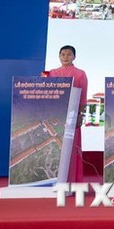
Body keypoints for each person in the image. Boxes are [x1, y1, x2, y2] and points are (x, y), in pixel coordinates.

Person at [48, 45, 88, 183]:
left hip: (72, 117)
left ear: (74, 57)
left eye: (69, 54)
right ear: (59, 56)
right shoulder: (51, 73)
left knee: (72, 149)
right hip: (56, 117)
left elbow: (83, 97)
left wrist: (80, 115)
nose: (65, 57)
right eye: (63, 54)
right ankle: (53, 180)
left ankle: (73, 181)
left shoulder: (80, 74)